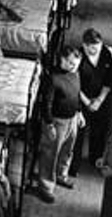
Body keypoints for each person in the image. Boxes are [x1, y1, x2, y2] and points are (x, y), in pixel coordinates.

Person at [35, 45, 84, 204]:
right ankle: (45, 186)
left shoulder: (75, 73)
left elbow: (76, 94)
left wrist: (79, 112)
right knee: (50, 154)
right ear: (61, 59)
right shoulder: (53, 78)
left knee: (67, 151)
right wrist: (49, 125)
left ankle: (61, 175)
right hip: (57, 121)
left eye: (76, 63)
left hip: (72, 120)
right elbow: (46, 105)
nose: (73, 66)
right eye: (70, 62)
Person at [73, 28, 112, 174]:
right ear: (84, 45)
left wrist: (99, 100)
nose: (94, 51)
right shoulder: (77, 56)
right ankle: (74, 165)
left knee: (100, 131)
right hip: (82, 99)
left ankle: (95, 159)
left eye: (96, 48)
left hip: (101, 99)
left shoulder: (106, 53)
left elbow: (110, 78)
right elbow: (75, 82)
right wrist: (87, 102)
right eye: (90, 48)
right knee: (78, 132)